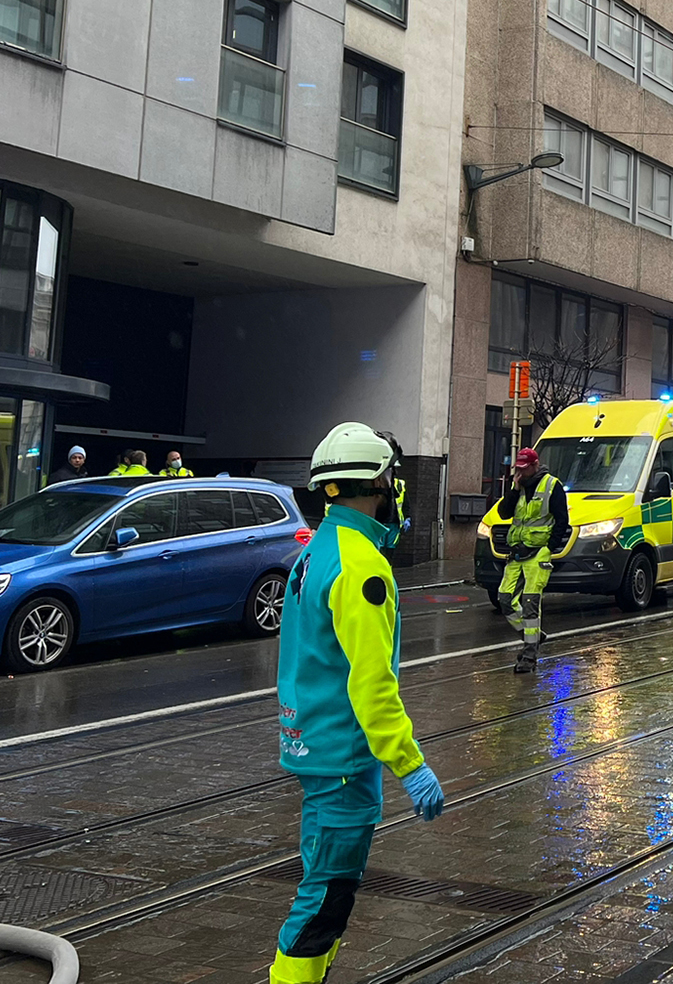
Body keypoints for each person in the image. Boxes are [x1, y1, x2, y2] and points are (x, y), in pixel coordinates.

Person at [269, 422, 445, 984]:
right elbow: (372, 685)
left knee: (326, 893)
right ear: (379, 485)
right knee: (325, 900)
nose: (398, 491)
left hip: (314, 744)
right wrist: (411, 764)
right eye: (393, 480)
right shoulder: (363, 566)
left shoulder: (315, 550)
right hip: (343, 758)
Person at [497, 447, 569, 674]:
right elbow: (504, 513)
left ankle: (529, 655)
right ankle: (535, 637)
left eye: (524, 469)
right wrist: (514, 489)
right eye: (518, 469)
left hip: (538, 553)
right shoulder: (517, 486)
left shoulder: (551, 485)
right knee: (505, 599)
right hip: (517, 552)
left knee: (529, 603)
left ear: (535, 466)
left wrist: (550, 548)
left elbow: (562, 520)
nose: (521, 472)